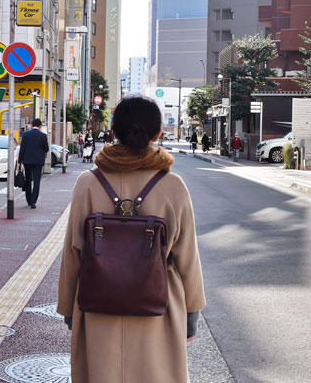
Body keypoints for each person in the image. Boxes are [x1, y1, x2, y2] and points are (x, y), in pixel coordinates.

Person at [58, 96, 206, 382]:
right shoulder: (172, 184)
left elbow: (73, 251)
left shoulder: (88, 182)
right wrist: (192, 310)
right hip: (158, 306)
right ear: (158, 134)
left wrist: (67, 307)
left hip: (98, 305)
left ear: (114, 132)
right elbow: (187, 255)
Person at [18, 118, 49, 209]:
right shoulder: (43, 136)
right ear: (40, 126)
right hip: (38, 161)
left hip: (27, 161)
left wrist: (20, 161)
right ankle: (33, 202)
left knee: (28, 180)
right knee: (36, 181)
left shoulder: (26, 134)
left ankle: (28, 199)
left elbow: (22, 149)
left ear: (32, 125)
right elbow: (46, 148)